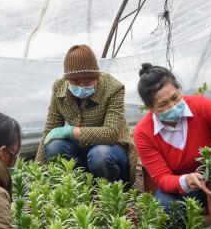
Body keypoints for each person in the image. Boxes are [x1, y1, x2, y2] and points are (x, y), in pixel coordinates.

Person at [133, 63, 211, 215]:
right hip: (187, 188)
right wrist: (185, 181)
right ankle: (207, 204)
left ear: (179, 90)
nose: (173, 106)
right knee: (164, 206)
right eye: (163, 104)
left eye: (175, 97)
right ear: (150, 108)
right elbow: (162, 178)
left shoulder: (200, 106)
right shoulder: (143, 133)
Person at [36, 45, 136, 183]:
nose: (82, 87)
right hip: (81, 149)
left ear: (97, 76)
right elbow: (49, 130)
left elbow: (111, 133)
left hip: (112, 150)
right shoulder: (59, 88)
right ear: (67, 80)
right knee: (54, 146)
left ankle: (110, 189)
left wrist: (72, 131)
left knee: (100, 155)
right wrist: (37, 172)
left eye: (88, 82)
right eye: (75, 82)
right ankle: (82, 186)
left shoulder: (113, 88)